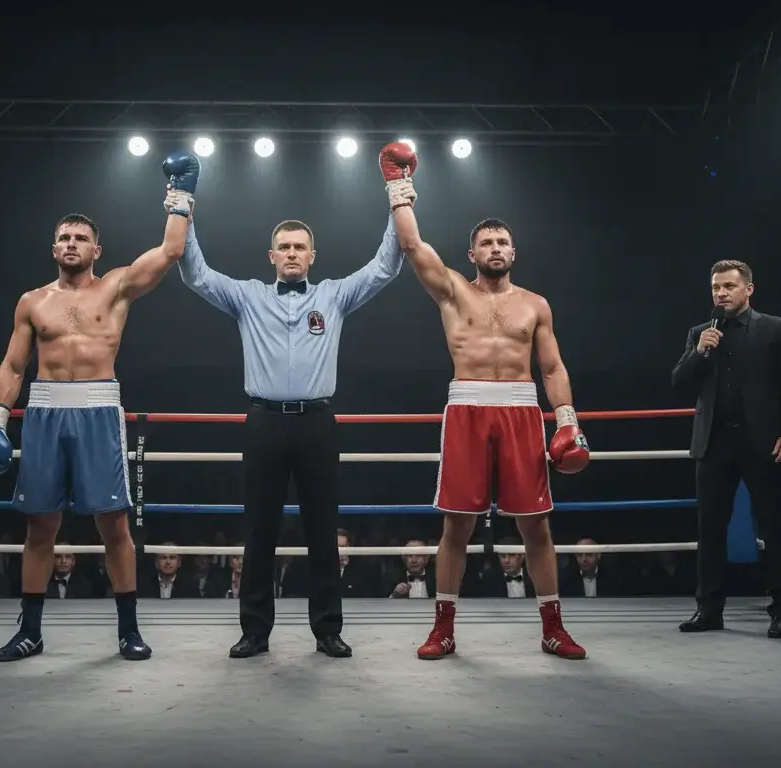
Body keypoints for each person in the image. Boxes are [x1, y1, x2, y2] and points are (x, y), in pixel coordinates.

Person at [0, 151, 199, 662]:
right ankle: (30, 631)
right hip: (44, 411)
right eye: (64, 237)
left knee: (114, 525)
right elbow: (13, 366)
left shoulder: (115, 288)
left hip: (98, 410)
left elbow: (170, 250)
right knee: (40, 525)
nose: (71, 243)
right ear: (53, 247)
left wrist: (182, 193)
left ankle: (128, 630)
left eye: (80, 238)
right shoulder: (32, 301)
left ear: (97, 248)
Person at [175, 172, 404, 659]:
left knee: (324, 529)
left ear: (312, 256)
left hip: (317, 423)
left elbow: (385, 267)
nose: (293, 253)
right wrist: (183, 210)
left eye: (300, 247)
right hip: (264, 422)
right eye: (285, 247)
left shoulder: (334, 295)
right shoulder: (248, 296)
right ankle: (255, 631)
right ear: (272, 255)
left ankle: (328, 630)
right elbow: (196, 275)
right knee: (259, 530)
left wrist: (397, 199)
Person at [380, 141, 590, 661]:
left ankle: (553, 628)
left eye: (503, 242)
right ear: (472, 254)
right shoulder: (454, 292)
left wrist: (567, 421)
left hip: (522, 410)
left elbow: (552, 368)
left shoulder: (535, 305)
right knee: (456, 525)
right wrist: (397, 186)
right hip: (467, 408)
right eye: (486, 243)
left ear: (513, 253)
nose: (496, 248)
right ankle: (443, 629)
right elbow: (412, 245)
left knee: (536, 525)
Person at [671, 259, 781, 639]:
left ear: (748, 289)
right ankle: (708, 610)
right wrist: (699, 352)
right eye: (716, 287)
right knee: (710, 530)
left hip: (761, 442)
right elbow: (678, 383)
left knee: (774, 528)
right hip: (714, 444)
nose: (721, 293)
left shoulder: (774, 328)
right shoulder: (701, 333)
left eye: (729, 286)